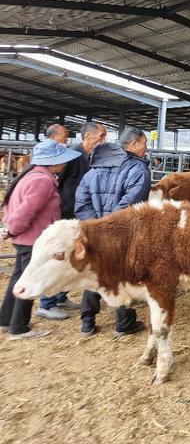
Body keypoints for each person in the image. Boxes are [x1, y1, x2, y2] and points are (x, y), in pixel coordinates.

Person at [0, 140, 81, 340]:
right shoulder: (42, 181)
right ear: (52, 161)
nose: (64, 163)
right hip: (33, 239)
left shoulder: (30, 176)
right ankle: (19, 328)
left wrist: (9, 228)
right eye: (61, 160)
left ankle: (6, 320)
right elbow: (26, 212)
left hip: (24, 238)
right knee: (29, 281)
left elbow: (10, 205)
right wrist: (11, 229)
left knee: (18, 278)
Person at [74, 127, 151, 338]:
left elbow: (82, 202)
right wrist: (110, 226)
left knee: (95, 270)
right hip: (122, 232)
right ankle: (124, 323)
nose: (146, 147)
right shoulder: (138, 169)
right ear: (133, 144)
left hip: (94, 229)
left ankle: (87, 321)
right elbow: (132, 203)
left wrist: (95, 225)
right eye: (144, 142)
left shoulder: (95, 167)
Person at [38, 121, 107, 319]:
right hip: (66, 212)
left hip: (80, 213)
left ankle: (60, 296)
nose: (104, 140)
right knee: (59, 255)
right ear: (88, 137)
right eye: (101, 136)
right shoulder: (73, 155)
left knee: (74, 255)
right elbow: (56, 181)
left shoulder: (93, 156)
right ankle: (46, 304)